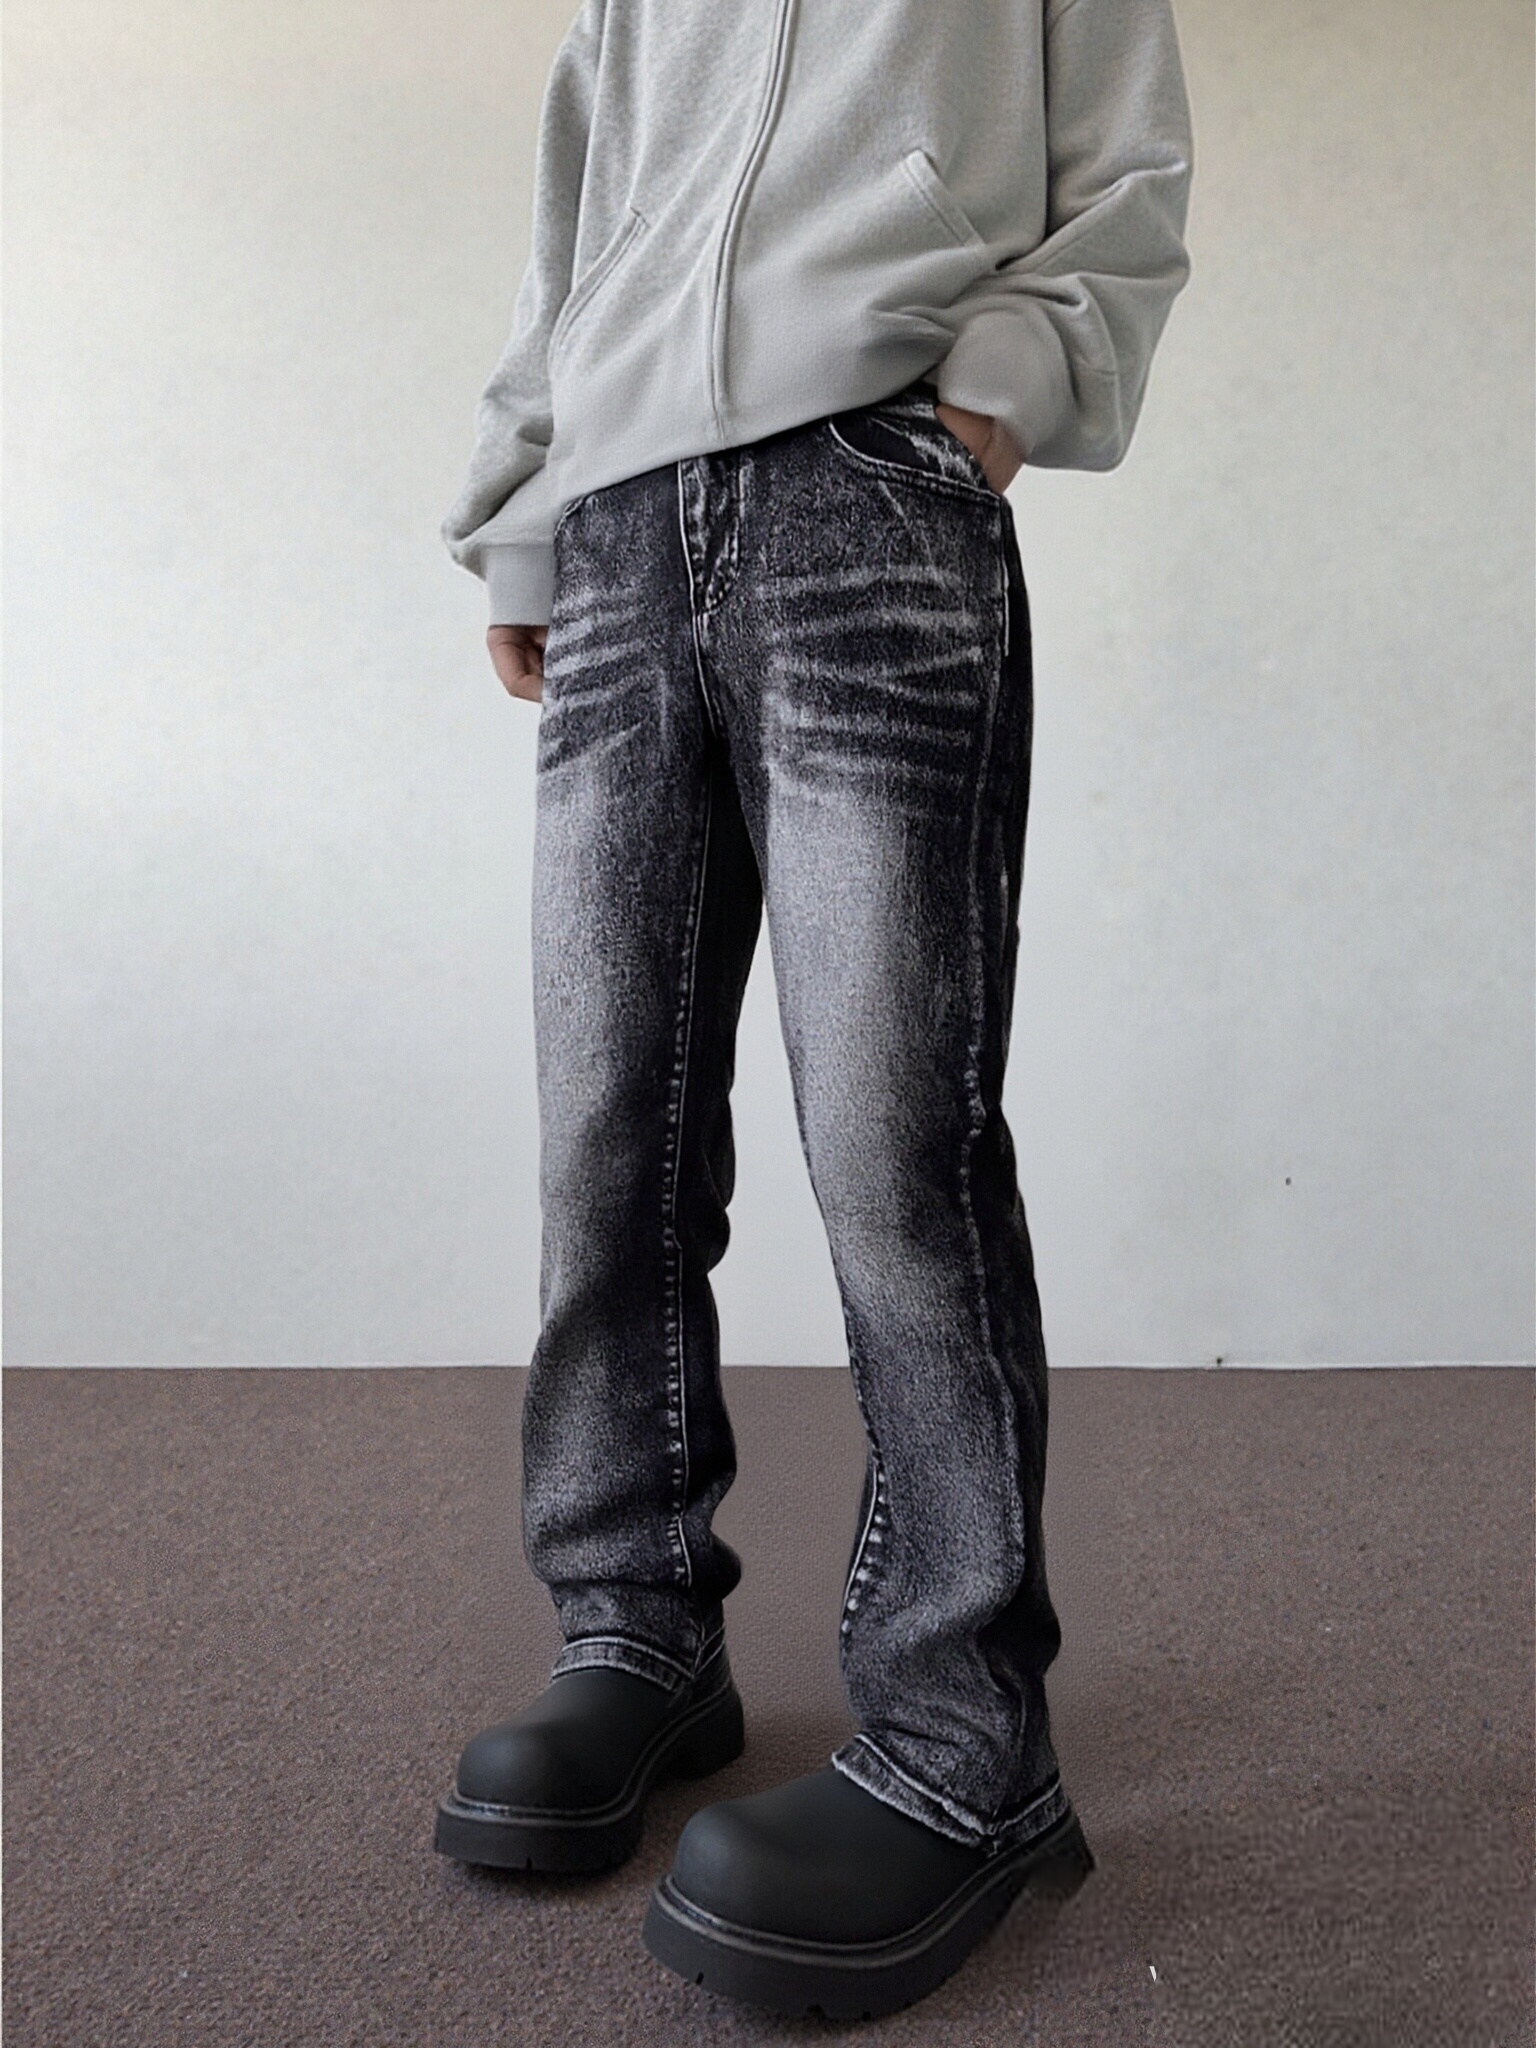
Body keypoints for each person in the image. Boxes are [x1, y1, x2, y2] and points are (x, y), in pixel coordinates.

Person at [433, 0, 1193, 2018]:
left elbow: (1125, 177)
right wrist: (527, 500)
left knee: (892, 1142)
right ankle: (635, 1626)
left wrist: (992, 394)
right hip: (619, 523)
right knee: (606, 1139)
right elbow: (579, 219)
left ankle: (964, 1739)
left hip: (872, 485)